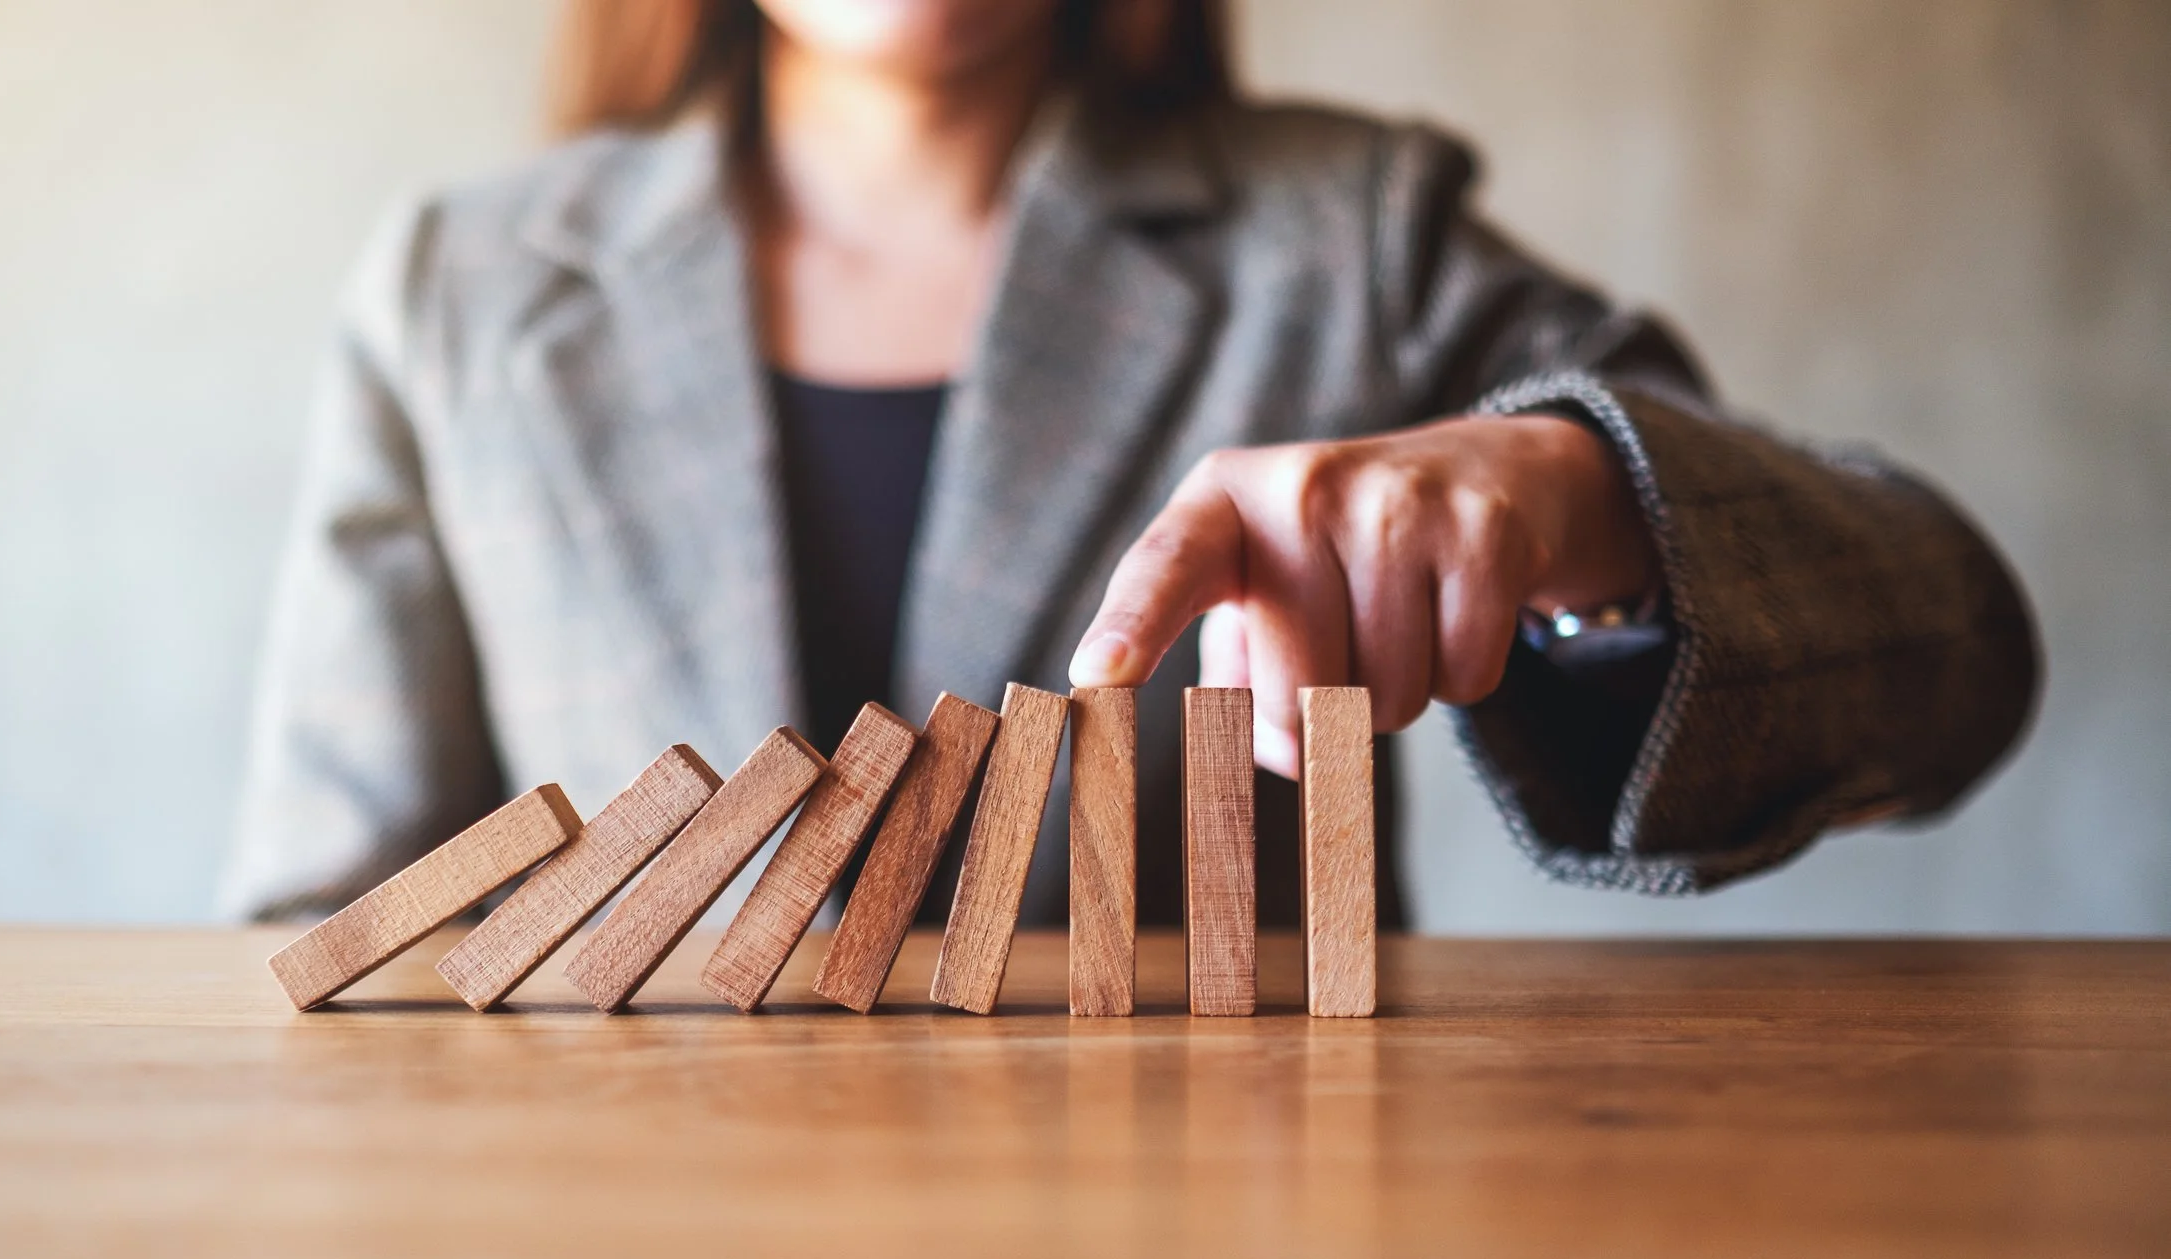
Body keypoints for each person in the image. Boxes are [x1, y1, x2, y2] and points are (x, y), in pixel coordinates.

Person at [220, 0, 2039, 932]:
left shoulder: (1356, 232)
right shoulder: (456, 289)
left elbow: (1951, 649)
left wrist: (1575, 498)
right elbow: (330, 920)